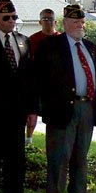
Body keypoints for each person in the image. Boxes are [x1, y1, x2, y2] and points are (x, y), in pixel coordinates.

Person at [35, 4, 96, 193]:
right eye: (75, 22)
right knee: (59, 157)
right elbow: (39, 79)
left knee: (81, 156)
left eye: (82, 22)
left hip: (86, 106)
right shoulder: (51, 46)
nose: (79, 26)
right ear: (64, 23)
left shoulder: (90, 46)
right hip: (61, 109)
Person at [0, 0, 36, 193]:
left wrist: (32, 109)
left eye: (14, 17)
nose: (11, 21)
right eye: (6, 17)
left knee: (16, 162)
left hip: (17, 113)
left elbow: (29, 78)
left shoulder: (23, 40)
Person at [27, 9, 61, 145]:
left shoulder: (61, 39)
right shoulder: (32, 40)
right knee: (32, 114)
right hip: (36, 84)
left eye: (51, 19)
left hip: (55, 86)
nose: (48, 22)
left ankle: (54, 143)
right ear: (39, 22)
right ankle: (28, 140)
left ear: (56, 21)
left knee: (54, 117)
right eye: (45, 19)